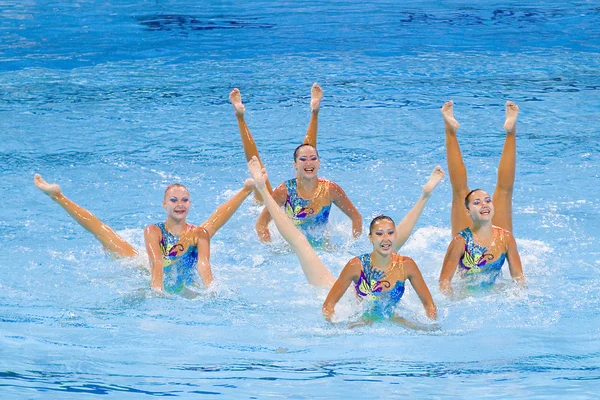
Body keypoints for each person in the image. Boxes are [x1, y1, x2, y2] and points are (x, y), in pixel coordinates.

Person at [247, 156, 442, 325]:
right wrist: (341, 325)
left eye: (390, 233)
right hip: (349, 304)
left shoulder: (407, 265)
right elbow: (328, 308)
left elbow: (430, 306)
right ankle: (263, 189)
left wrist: (430, 325)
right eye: (379, 234)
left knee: (390, 252)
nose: (385, 237)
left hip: (387, 316)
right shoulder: (355, 265)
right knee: (300, 244)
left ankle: (425, 195)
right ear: (370, 238)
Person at [33, 174, 254, 294]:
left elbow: (204, 264)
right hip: (144, 265)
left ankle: (245, 191)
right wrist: (156, 289)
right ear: (164, 204)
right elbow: (156, 261)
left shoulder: (199, 234)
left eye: (185, 200)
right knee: (103, 234)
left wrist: (213, 289)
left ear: (190, 204)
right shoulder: (153, 230)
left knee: (210, 226)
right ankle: (58, 196)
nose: (180, 205)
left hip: (178, 263)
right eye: (174, 200)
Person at [229, 84, 362, 246]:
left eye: (314, 159)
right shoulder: (285, 191)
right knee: (258, 177)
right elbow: (261, 225)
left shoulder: (330, 189)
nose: (309, 163)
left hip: (316, 247)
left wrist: (352, 248)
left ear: (320, 163)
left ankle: (315, 111)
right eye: (303, 161)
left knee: (306, 151)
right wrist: (273, 250)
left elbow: (356, 218)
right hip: (284, 224)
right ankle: (240, 117)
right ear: (294, 165)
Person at [438, 101, 525, 295]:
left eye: (487, 201)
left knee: (504, 190)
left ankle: (511, 130)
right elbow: (444, 283)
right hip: (468, 290)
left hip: (490, 289)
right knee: (460, 191)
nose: (484, 204)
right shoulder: (461, 241)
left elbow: (519, 279)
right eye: (477, 203)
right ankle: (449, 130)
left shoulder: (505, 237)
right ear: (467, 211)